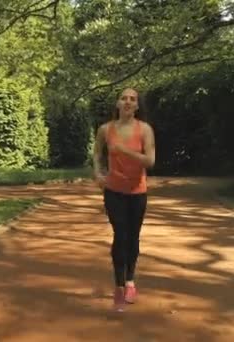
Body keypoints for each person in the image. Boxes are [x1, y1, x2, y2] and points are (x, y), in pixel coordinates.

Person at [92, 88, 156, 312]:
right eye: (124, 98)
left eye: (133, 99)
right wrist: (98, 174)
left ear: (137, 106)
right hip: (113, 191)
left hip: (137, 192)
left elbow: (150, 161)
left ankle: (130, 280)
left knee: (133, 236)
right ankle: (119, 287)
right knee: (120, 234)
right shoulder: (105, 130)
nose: (128, 102)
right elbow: (97, 153)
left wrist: (124, 152)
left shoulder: (145, 130)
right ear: (118, 104)